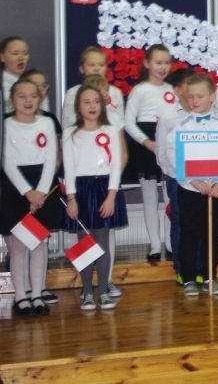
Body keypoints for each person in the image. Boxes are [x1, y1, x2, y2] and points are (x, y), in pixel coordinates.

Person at [1, 79, 63, 315]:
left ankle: (37, 295)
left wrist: (42, 192)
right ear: (12, 99)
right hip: (16, 188)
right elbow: (6, 160)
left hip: (43, 185)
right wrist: (28, 192)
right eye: (22, 96)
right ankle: (21, 297)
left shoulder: (47, 122)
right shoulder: (6, 124)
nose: (28, 101)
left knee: (38, 243)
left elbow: (50, 158)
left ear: (40, 99)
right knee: (18, 245)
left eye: (33, 96)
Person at [63, 84, 128, 311]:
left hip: (105, 189)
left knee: (102, 242)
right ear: (78, 107)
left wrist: (111, 196)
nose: (92, 106)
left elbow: (115, 166)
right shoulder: (70, 134)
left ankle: (103, 292)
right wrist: (71, 198)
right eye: (86, 102)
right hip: (81, 190)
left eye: (96, 102)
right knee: (84, 243)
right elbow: (69, 169)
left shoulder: (110, 130)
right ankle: (88, 292)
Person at [167, 73, 218, 296]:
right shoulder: (181, 126)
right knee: (190, 233)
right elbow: (174, 156)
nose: (194, 101)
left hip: (214, 190)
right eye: (191, 96)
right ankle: (189, 277)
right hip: (190, 190)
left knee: (212, 234)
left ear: (212, 97)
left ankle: (210, 275)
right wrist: (192, 181)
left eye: (200, 96)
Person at [124, 44, 173, 262]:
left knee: (171, 197)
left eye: (166, 63)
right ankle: (154, 245)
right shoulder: (140, 90)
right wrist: (147, 142)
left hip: (169, 145)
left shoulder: (172, 89)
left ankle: (170, 243)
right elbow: (128, 122)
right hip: (147, 144)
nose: (163, 67)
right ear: (147, 63)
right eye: (158, 62)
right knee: (150, 198)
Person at [155, 68, 194, 284]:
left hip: (202, 178)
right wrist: (171, 173)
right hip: (176, 178)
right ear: (178, 90)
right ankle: (181, 268)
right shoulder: (169, 115)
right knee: (180, 221)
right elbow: (161, 149)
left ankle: (199, 267)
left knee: (199, 221)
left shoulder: (207, 112)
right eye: (189, 84)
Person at [1, 36, 48, 113]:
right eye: (15, 53)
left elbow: (44, 112)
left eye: (25, 53)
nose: (21, 58)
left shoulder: (37, 83)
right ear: (2, 57)